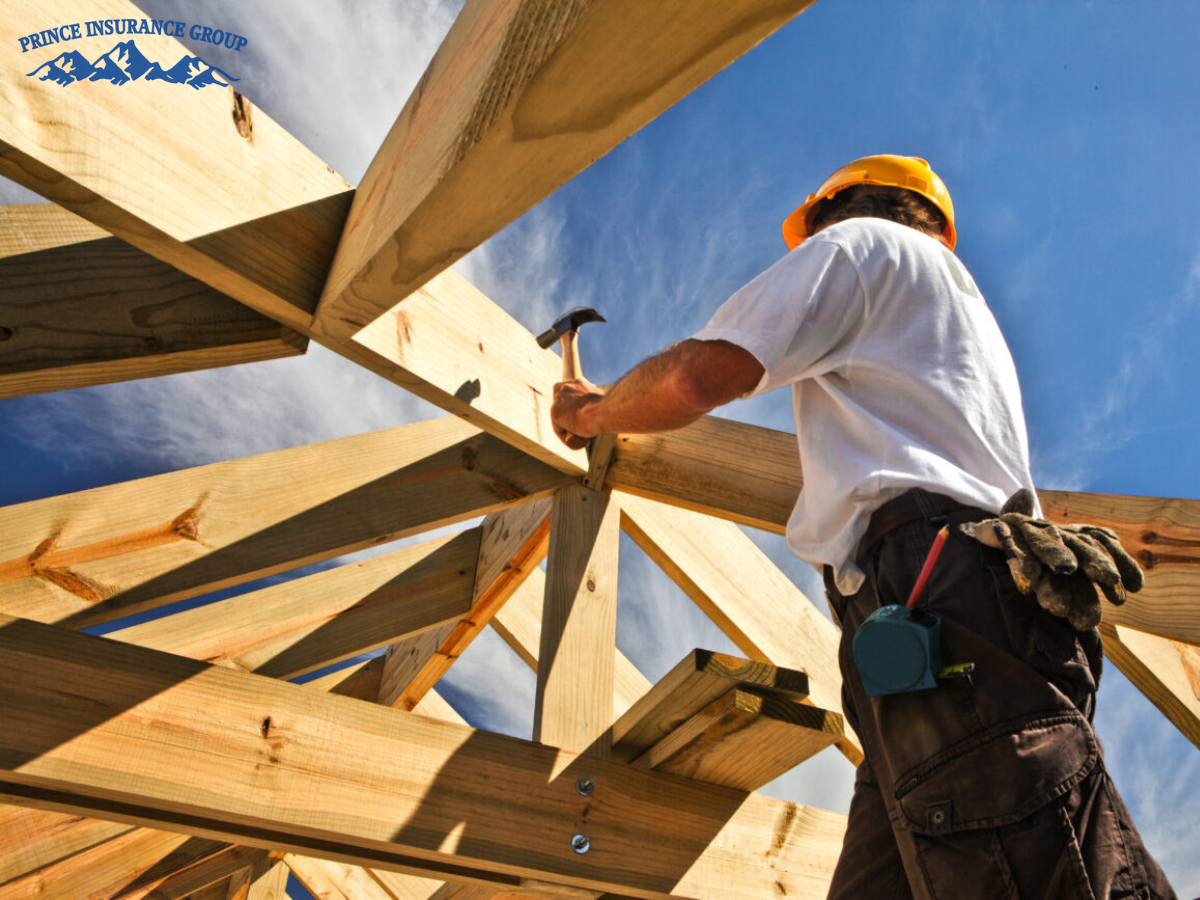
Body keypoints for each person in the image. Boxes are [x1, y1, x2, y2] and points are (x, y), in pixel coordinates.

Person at [550, 155, 1175, 899]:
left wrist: (590, 412)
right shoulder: (948, 316)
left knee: (1027, 866)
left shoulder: (861, 247)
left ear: (832, 214)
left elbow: (695, 377)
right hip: (939, 620)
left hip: (939, 599)